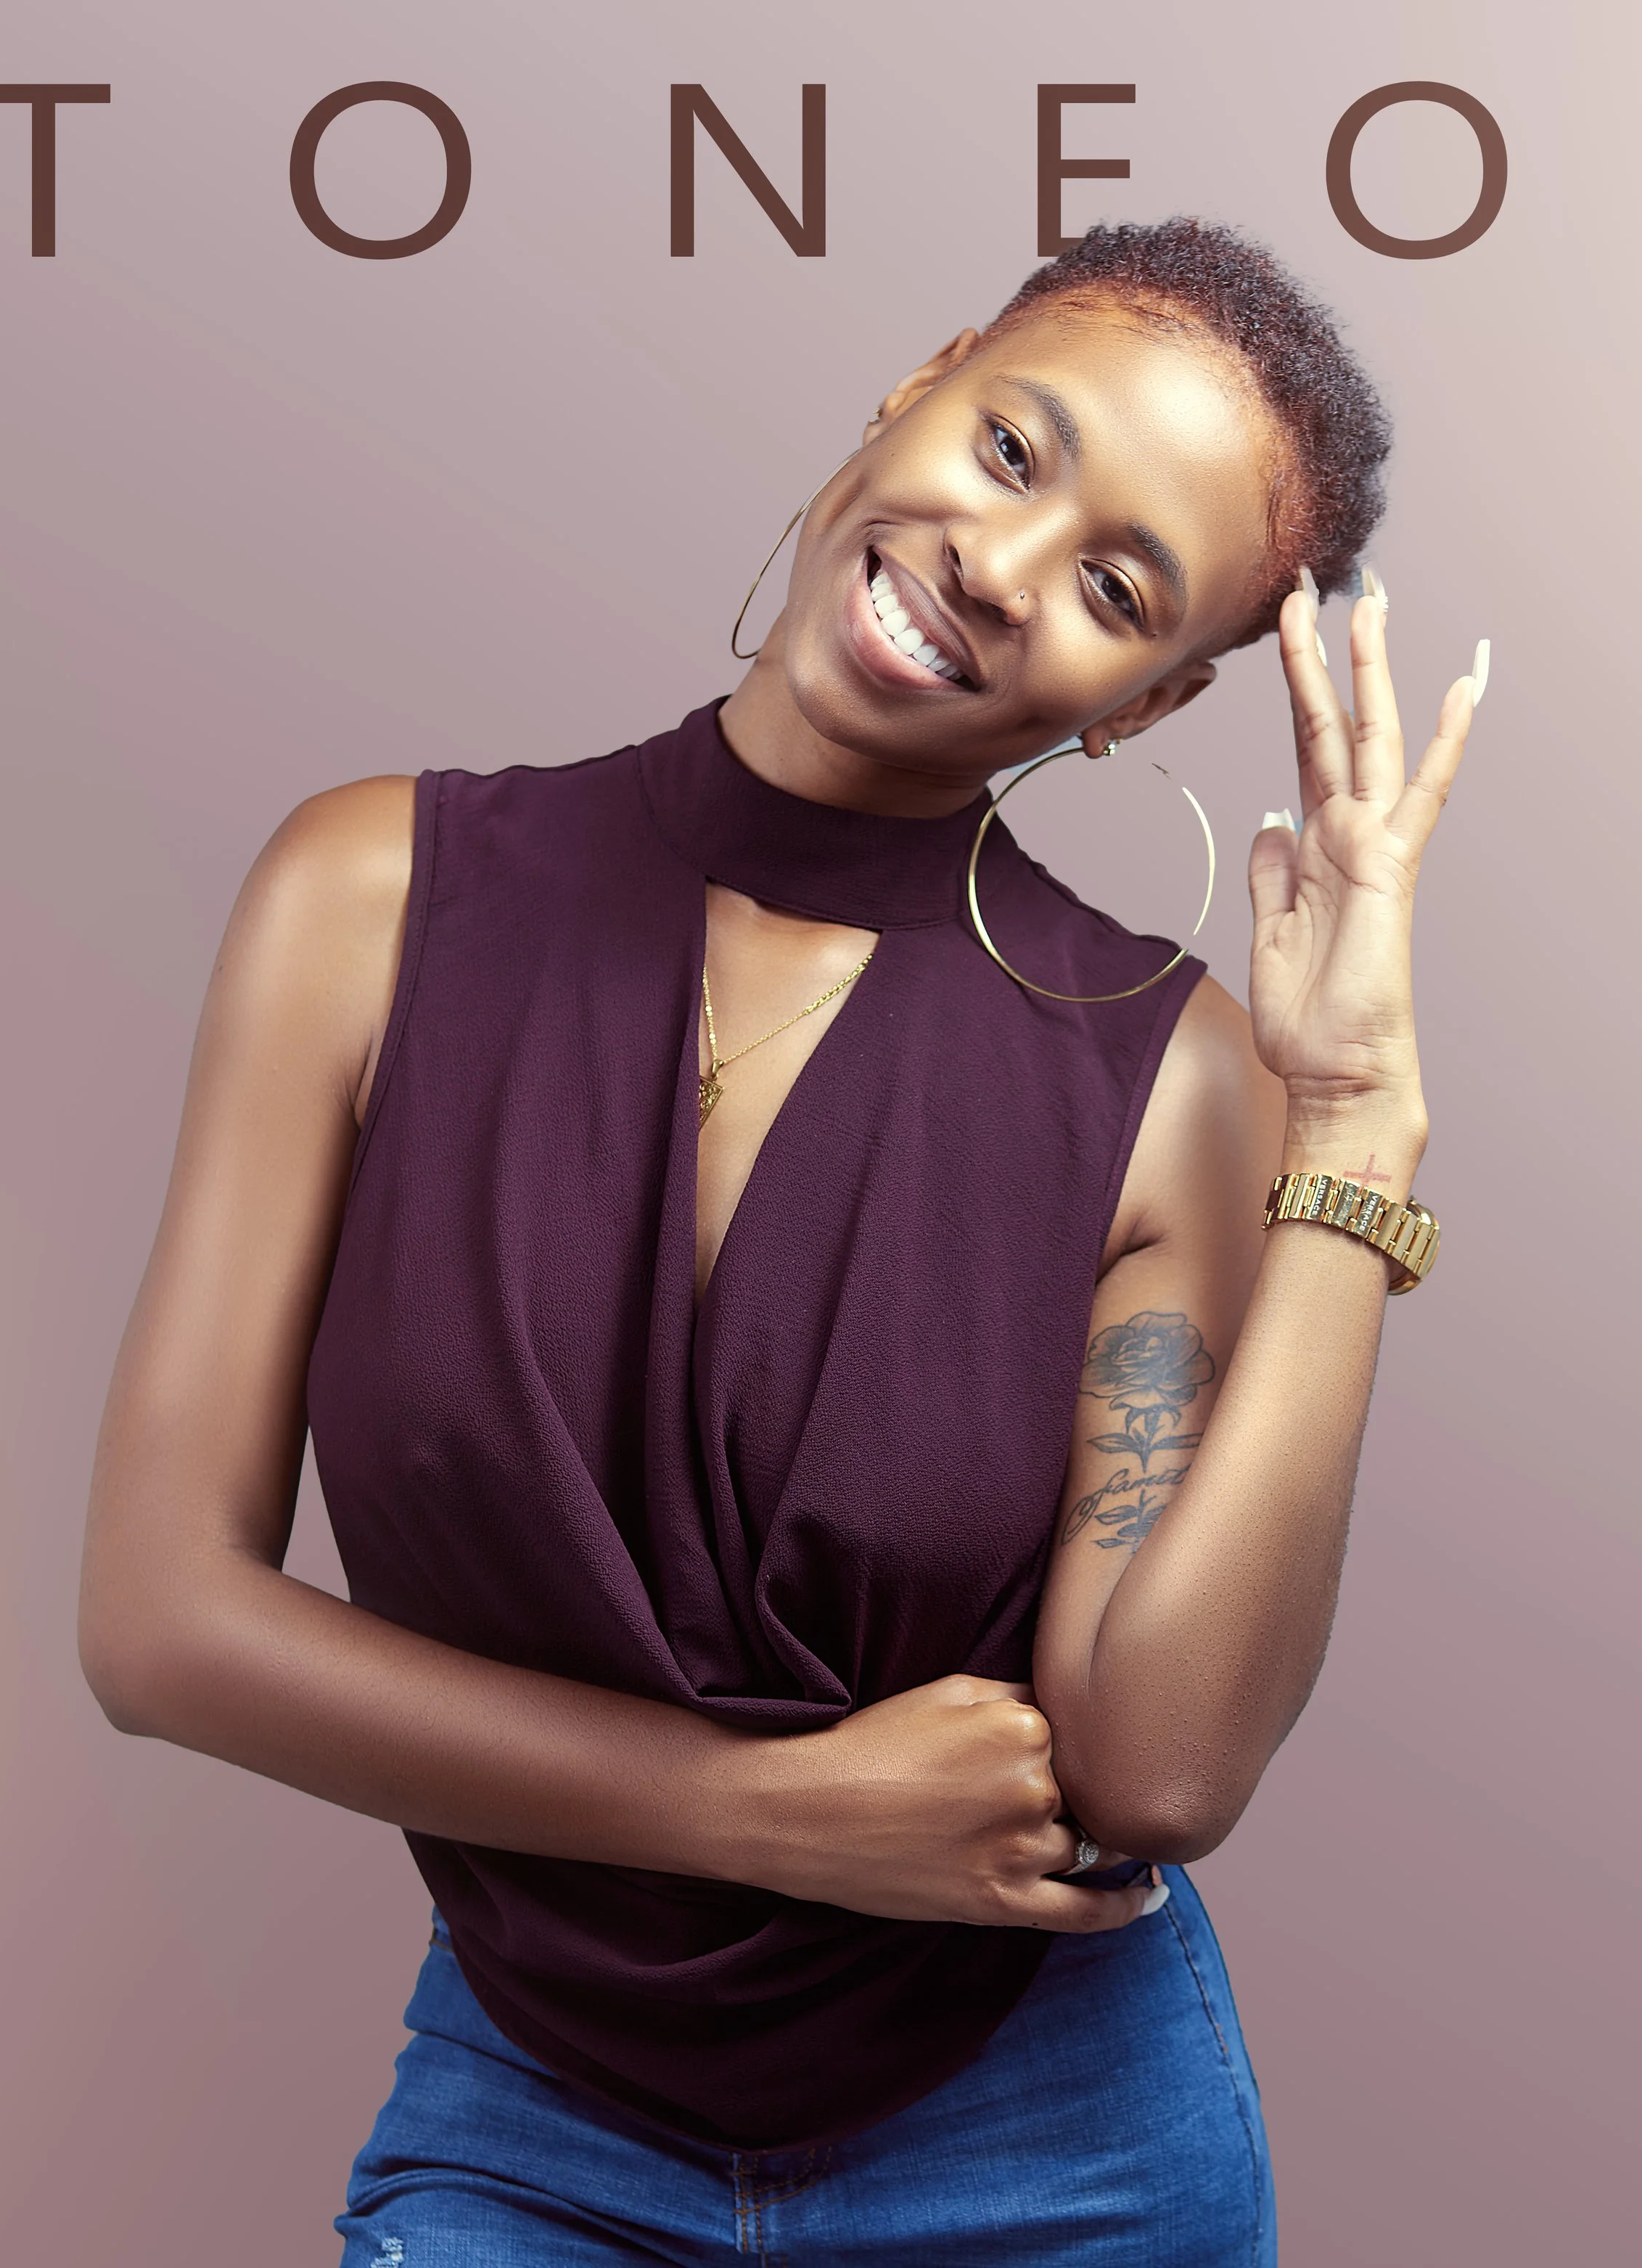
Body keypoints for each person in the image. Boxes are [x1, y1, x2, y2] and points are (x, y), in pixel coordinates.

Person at [79, 217, 1482, 2264]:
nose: (998, 570)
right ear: (912, 384)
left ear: (1144, 701)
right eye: (1012, 447)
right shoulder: (366, 896)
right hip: (534, 2102)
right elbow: (157, 1620)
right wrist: (765, 1812)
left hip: (1058, 2142)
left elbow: (1155, 1762)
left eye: (1113, 586)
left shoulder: (1165, 1075)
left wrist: (1351, 1128)